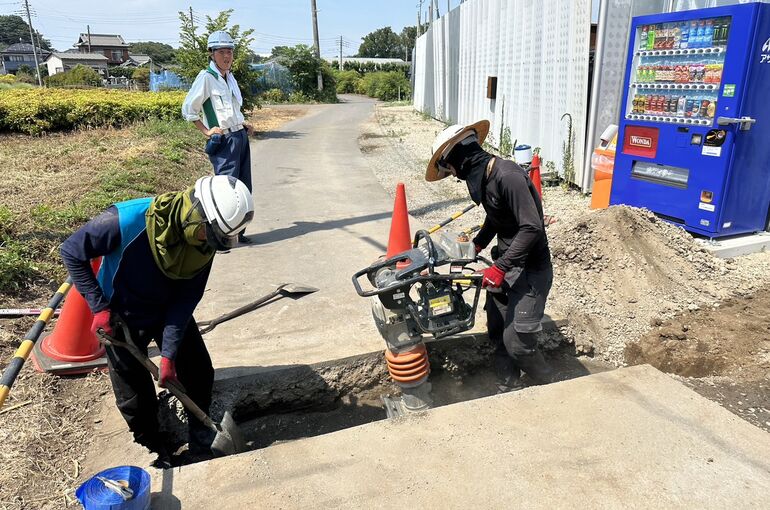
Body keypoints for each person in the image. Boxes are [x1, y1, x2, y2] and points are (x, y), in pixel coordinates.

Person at [60, 175, 254, 466]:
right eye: (210, 236)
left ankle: (202, 445)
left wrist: (169, 355)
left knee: (199, 373)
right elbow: (71, 251)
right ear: (194, 215)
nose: (209, 246)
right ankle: (154, 449)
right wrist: (99, 307)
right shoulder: (123, 221)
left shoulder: (204, 244)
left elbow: (186, 299)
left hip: (167, 311)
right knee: (134, 396)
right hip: (121, 317)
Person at [426, 120, 555, 387]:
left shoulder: (507, 176)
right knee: (497, 332)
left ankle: (551, 385)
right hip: (506, 265)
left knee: (518, 344)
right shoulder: (486, 177)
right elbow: (497, 216)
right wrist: (478, 243)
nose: (456, 176)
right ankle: (508, 385)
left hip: (530, 271)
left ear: (460, 159)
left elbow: (532, 227)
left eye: (451, 169)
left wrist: (499, 267)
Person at [182, 30, 254, 245]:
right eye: (222, 51)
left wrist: (243, 123)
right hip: (224, 142)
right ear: (212, 54)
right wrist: (206, 131)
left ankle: (238, 232)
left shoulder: (229, 78)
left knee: (243, 187)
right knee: (227, 189)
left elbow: (231, 109)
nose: (227, 56)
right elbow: (189, 109)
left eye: (230, 51)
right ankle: (222, 236)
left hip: (239, 136)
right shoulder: (206, 78)